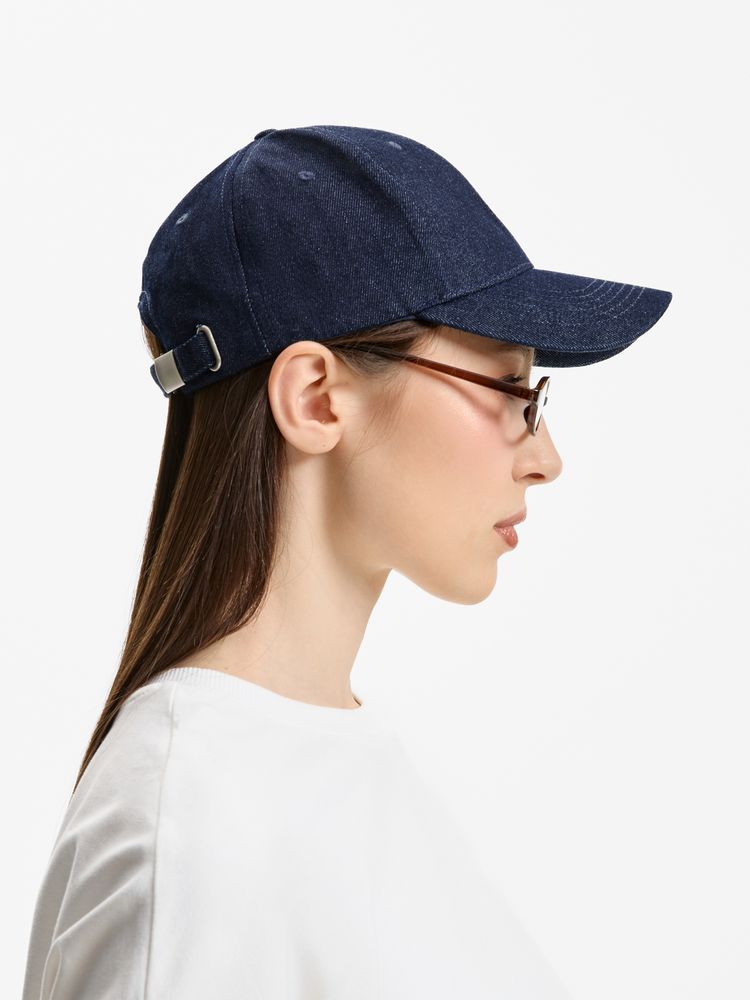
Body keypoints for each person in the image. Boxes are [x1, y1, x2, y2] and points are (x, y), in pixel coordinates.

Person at [21, 125, 672, 1000]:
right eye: (515, 391)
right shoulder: (198, 832)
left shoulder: (310, 765)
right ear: (316, 398)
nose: (545, 458)